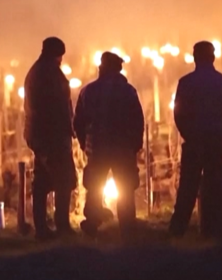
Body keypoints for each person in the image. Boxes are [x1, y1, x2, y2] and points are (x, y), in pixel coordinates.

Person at [74, 51, 145, 238]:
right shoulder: (128, 91)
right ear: (118, 69)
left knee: (94, 187)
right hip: (123, 148)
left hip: (97, 148)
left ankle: (91, 223)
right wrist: (135, 145)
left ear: (101, 68)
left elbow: (78, 122)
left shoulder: (88, 91)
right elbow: (137, 120)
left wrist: (85, 144)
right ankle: (127, 226)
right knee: (126, 187)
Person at [169, 41, 222, 237]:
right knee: (213, 186)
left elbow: (178, 114)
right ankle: (212, 229)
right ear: (212, 57)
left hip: (193, 141)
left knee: (188, 187)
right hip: (215, 141)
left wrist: (188, 133)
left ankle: (177, 230)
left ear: (195, 58)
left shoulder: (186, 83)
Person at [23, 36, 78, 239]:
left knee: (43, 182)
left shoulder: (37, 71)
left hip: (40, 136)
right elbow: (57, 107)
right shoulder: (49, 74)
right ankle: (61, 225)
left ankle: (42, 228)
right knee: (64, 180)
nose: (61, 60)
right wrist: (69, 129)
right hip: (52, 136)